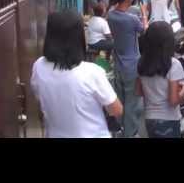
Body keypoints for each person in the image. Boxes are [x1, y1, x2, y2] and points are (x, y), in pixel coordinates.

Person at [30, 10, 123, 138]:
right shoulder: (91, 72)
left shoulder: (38, 66)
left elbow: (40, 100)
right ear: (78, 37)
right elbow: (116, 110)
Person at [137, 22, 184, 138]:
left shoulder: (141, 63)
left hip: (149, 119)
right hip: (169, 119)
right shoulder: (173, 64)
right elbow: (173, 101)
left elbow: (138, 91)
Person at [107, 0, 144, 137]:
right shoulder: (132, 19)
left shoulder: (111, 15)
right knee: (132, 103)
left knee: (121, 99)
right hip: (132, 65)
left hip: (118, 63)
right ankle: (130, 133)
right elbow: (144, 31)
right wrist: (145, 14)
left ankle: (122, 129)